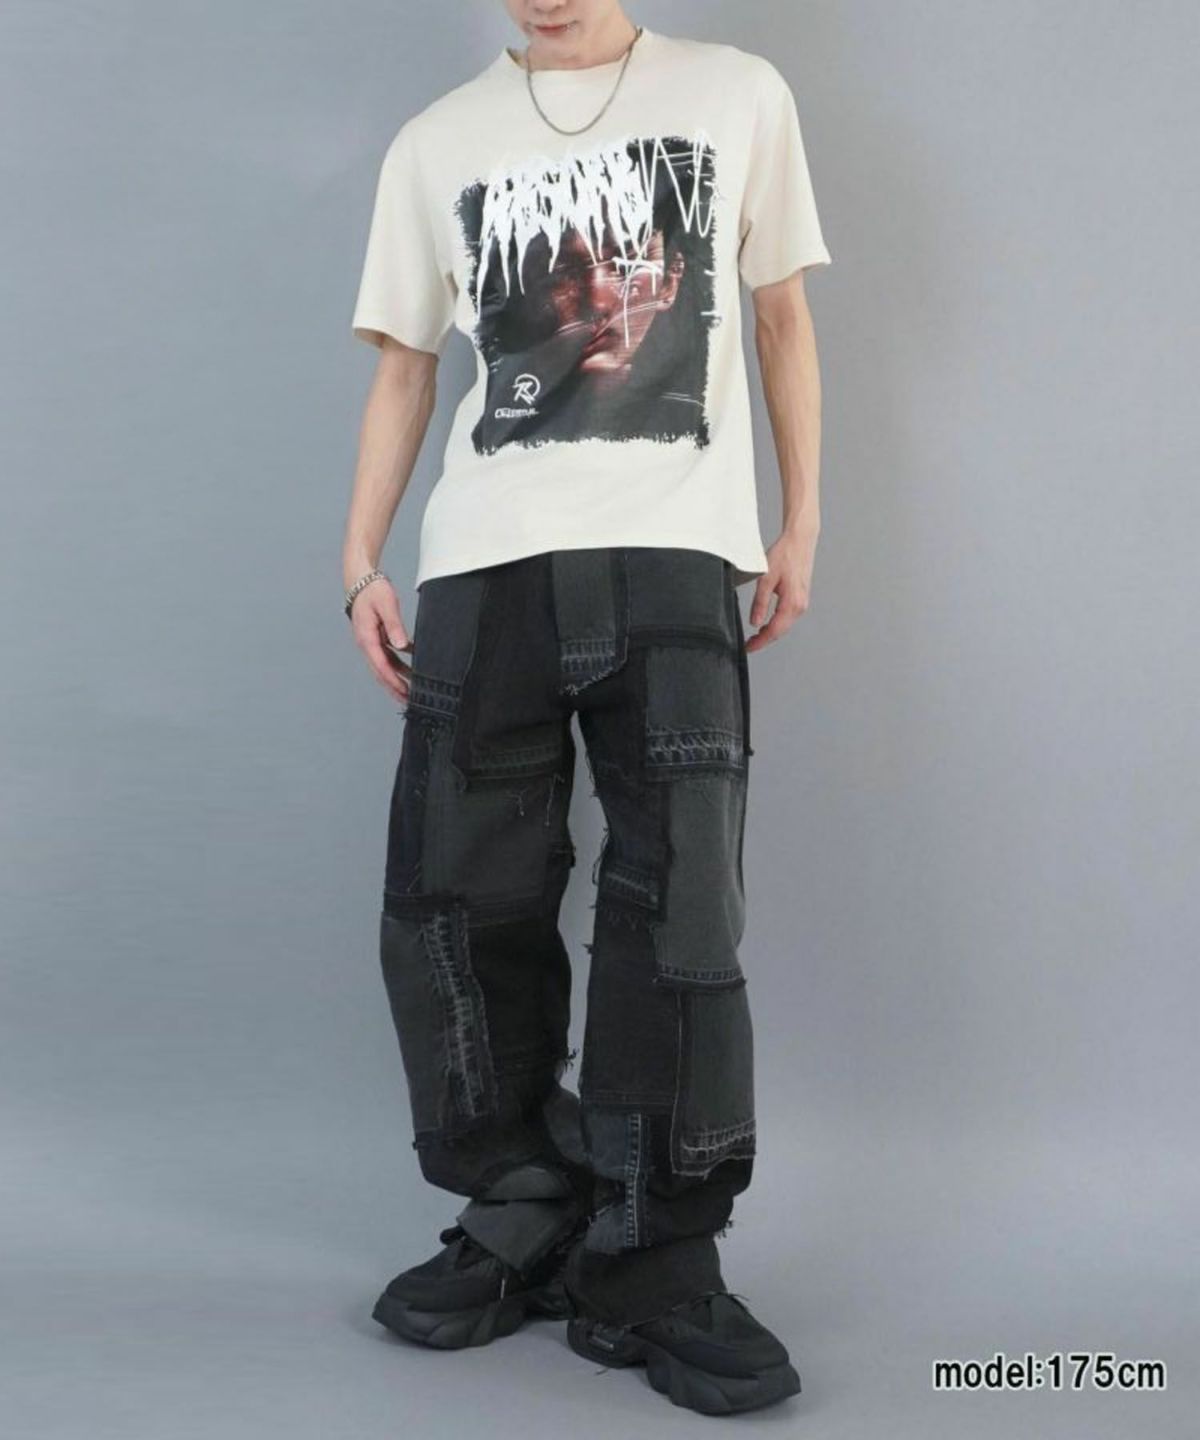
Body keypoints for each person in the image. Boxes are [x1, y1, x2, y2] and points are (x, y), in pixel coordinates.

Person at [342, 0, 830, 1416]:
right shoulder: (437, 141)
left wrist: (802, 520)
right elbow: (406, 365)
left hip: (673, 551)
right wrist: (361, 558)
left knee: (681, 911)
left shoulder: (737, 94)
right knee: (452, 900)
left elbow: (782, 314)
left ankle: (657, 1254)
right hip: (484, 564)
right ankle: (529, 1196)